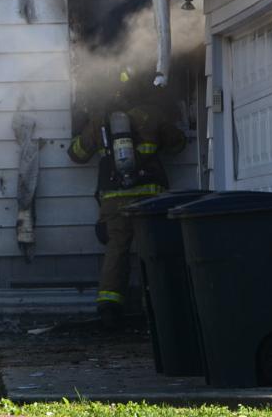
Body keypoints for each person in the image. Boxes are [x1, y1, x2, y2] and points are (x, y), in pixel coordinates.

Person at [68, 70, 186, 328]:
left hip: (114, 199)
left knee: (116, 250)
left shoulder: (100, 119)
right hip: (150, 198)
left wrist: (80, 126)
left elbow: (77, 154)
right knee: (152, 251)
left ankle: (109, 306)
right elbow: (178, 144)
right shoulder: (152, 114)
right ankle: (155, 305)